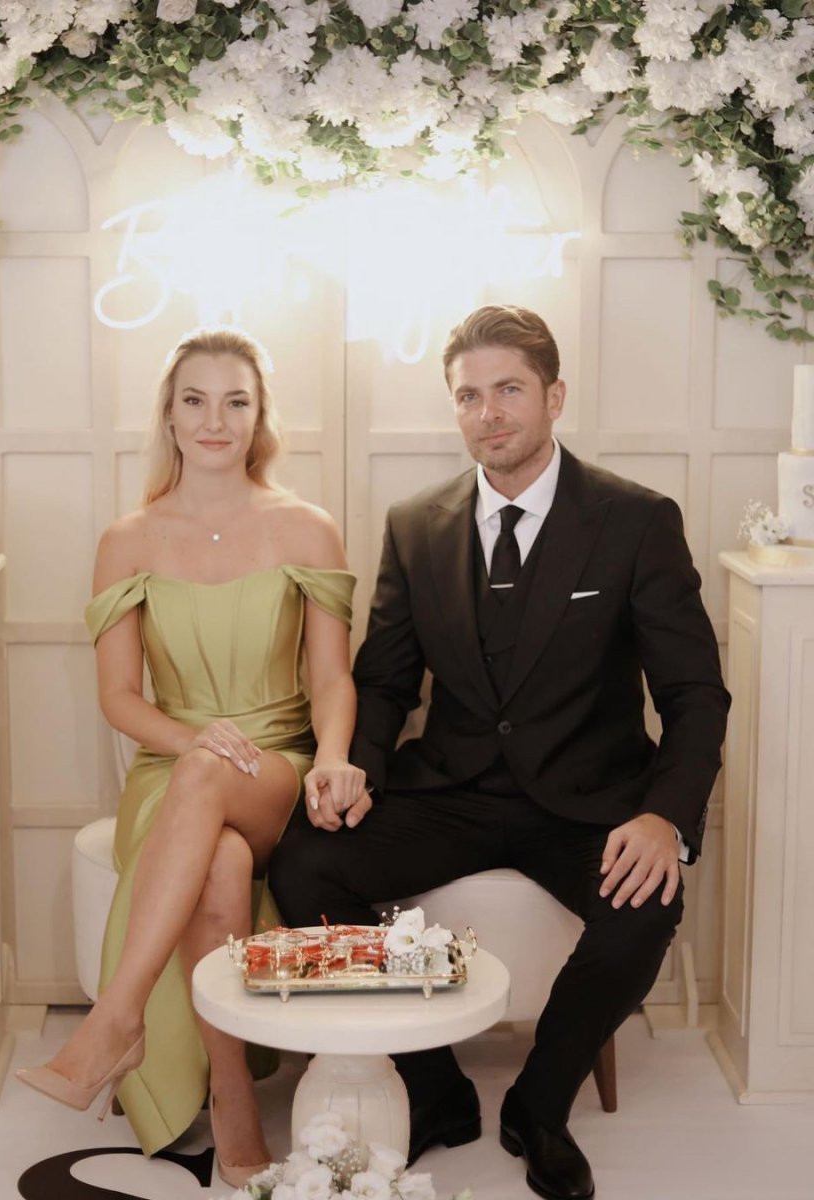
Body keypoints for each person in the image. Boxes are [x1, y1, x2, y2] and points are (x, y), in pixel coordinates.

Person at [269, 305, 730, 1200]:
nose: (489, 413)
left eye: (510, 389)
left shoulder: (635, 521)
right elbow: (386, 680)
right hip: (454, 789)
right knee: (305, 863)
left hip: (590, 799)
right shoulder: (416, 524)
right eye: (469, 396)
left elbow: (694, 695)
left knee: (646, 906)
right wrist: (353, 765)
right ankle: (434, 1085)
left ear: (555, 397)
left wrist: (662, 815)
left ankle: (539, 1107)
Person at [16, 327, 363, 1185]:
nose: (215, 420)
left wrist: (332, 756)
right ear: (169, 417)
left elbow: (331, 678)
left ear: (259, 416)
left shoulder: (307, 528)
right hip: (169, 769)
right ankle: (233, 1100)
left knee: (219, 789)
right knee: (221, 860)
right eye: (195, 401)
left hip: (272, 766)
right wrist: (192, 738)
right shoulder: (127, 539)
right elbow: (120, 697)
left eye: (236, 401)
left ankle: (115, 1021)